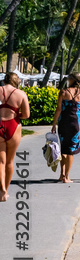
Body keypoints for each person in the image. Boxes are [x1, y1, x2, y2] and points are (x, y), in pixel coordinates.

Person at [53, 73, 80, 183]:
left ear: (72, 80)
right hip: (75, 124)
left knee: (63, 148)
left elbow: (58, 109)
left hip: (63, 122)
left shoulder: (63, 92)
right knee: (71, 150)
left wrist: (54, 124)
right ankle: (67, 177)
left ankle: (62, 174)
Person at [1, 72, 30, 202]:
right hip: (13, 125)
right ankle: (5, 191)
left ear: (4, 80)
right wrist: (17, 114)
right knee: (9, 161)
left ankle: (1, 187)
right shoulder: (21, 94)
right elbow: (26, 115)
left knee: (1, 161)